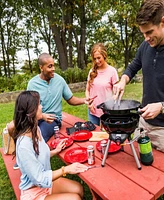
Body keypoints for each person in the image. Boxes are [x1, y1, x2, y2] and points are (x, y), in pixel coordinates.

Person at [11, 90, 88, 200]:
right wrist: (65, 170)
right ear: (31, 111)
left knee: (78, 188)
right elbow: (39, 178)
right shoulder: (24, 145)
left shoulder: (35, 129)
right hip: (34, 193)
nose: (41, 107)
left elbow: (38, 156)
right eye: (38, 104)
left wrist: (55, 151)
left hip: (45, 185)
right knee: (74, 198)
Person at [113, 0, 164, 152]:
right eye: (143, 33)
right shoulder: (145, 46)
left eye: (149, 32)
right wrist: (123, 80)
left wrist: (161, 107)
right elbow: (134, 66)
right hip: (143, 123)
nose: (146, 38)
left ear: (162, 22)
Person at [27, 53, 92, 143]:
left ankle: (39, 155)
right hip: (36, 118)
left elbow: (70, 99)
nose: (53, 69)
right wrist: (41, 116)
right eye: (50, 66)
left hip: (52, 120)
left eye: (53, 66)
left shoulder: (60, 80)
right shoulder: (32, 84)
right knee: (21, 133)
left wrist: (84, 100)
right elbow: (29, 108)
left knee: (38, 136)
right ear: (41, 68)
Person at [85, 43, 119, 125]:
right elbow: (87, 90)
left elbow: (117, 91)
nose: (97, 61)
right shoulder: (92, 71)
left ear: (104, 55)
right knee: (94, 135)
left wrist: (114, 97)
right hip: (93, 111)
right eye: (94, 58)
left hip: (107, 111)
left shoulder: (112, 71)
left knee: (108, 135)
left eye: (99, 58)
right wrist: (90, 104)